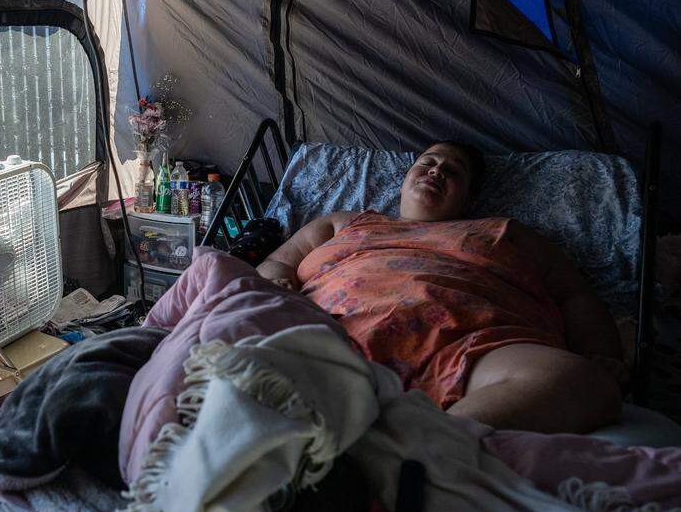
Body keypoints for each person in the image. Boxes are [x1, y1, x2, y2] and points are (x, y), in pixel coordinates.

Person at [257, 141, 625, 434]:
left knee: (579, 382)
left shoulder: (506, 232)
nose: (436, 171)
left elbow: (574, 296)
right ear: (404, 178)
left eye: (452, 171)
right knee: (209, 271)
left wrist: (602, 353)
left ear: (468, 198)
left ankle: (423, 442)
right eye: (428, 162)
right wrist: (276, 282)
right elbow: (277, 262)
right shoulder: (343, 223)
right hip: (331, 332)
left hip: (468, 344)